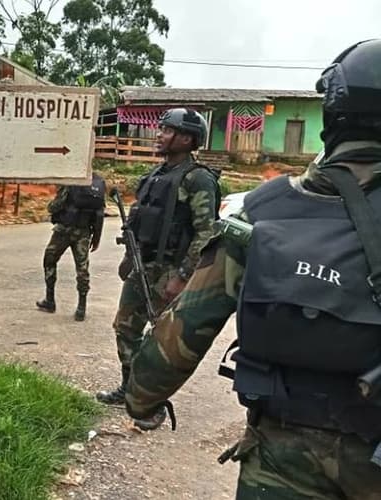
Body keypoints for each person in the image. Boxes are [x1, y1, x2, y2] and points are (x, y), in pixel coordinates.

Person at [125, 39, 381, 499]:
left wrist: (141, 395)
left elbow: (189, 325)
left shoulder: (265, 209)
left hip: (284, 451)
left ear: (334, 114)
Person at [96, 108, 221, 431]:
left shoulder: (198, 179)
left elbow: (206, 232)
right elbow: (139, 218)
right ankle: (131, 389)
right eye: (162, 129)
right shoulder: (155, 176)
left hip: (171, 270)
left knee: (161, 340)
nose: (160, 135)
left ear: (186, 138)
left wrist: (183, 276)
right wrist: (128, 257)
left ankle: (150, 403)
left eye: (167, 130)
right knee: (125, 327)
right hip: (143, 265)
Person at [35, 172, 106, 321]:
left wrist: (50, 207)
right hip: (84, 232)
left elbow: (56, 205)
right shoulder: (98, 182)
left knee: (49, 260)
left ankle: (50, 301)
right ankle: (81, 308)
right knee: (82, 269)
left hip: (64, 231)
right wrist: (97, 237)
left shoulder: (72, 179)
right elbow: (99, 213)